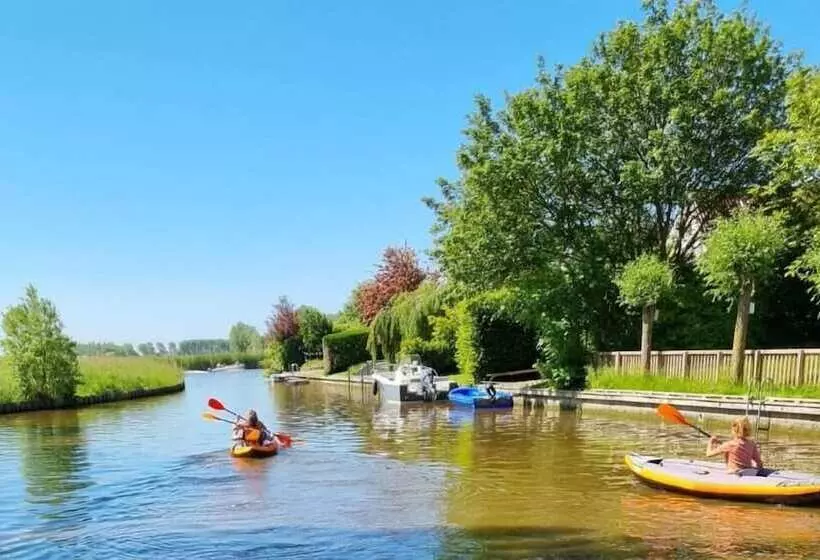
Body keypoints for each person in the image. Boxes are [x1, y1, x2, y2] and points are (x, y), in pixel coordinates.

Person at [705, 416, 771, 476]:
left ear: (733, 430)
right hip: (749, 473)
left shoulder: (729, 444)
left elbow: (709, 454)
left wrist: (710, 442)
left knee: (726, 454)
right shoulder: (751, 443)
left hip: (734, 474)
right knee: (728, 453)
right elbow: (759, 463)